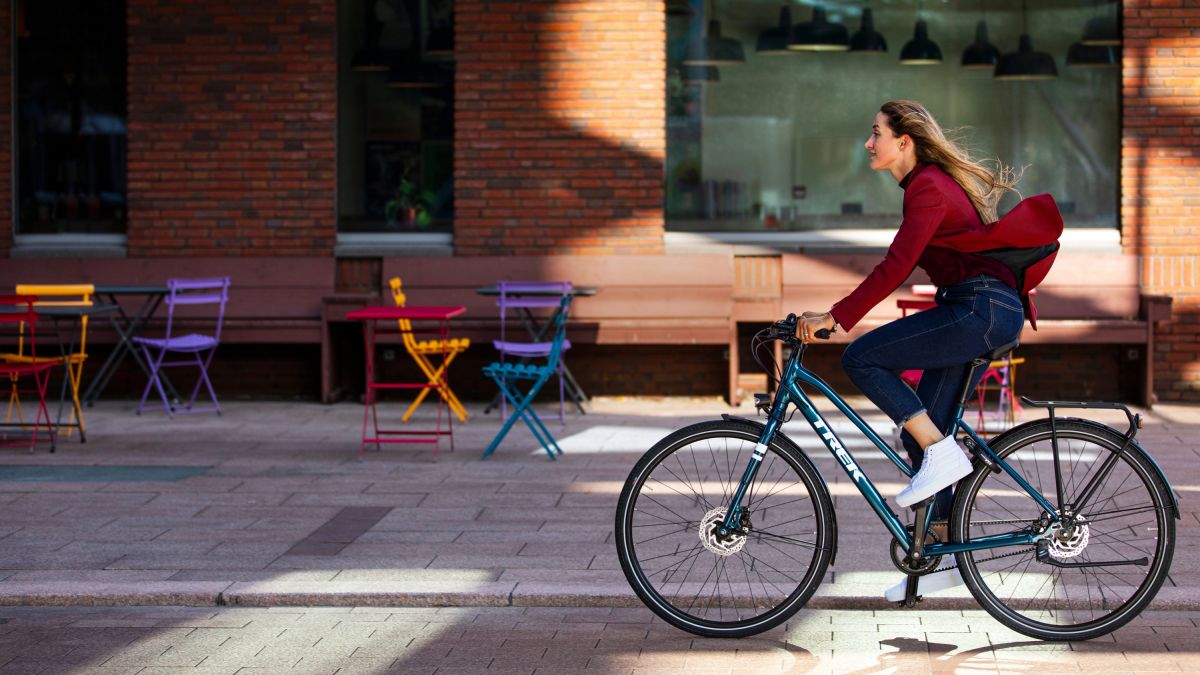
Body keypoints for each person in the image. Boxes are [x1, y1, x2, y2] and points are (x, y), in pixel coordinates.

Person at [796, 100, 1028, 601]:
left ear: (904, 141)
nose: (868, 142)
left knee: (861, 357)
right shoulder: (925, 187)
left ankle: (944, 455)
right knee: (921, 435)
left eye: (875, 132)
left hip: (978, 310)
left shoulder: (927, 188)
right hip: (980, 308)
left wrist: (835, 319)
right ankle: (941, 558)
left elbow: (895, 265)